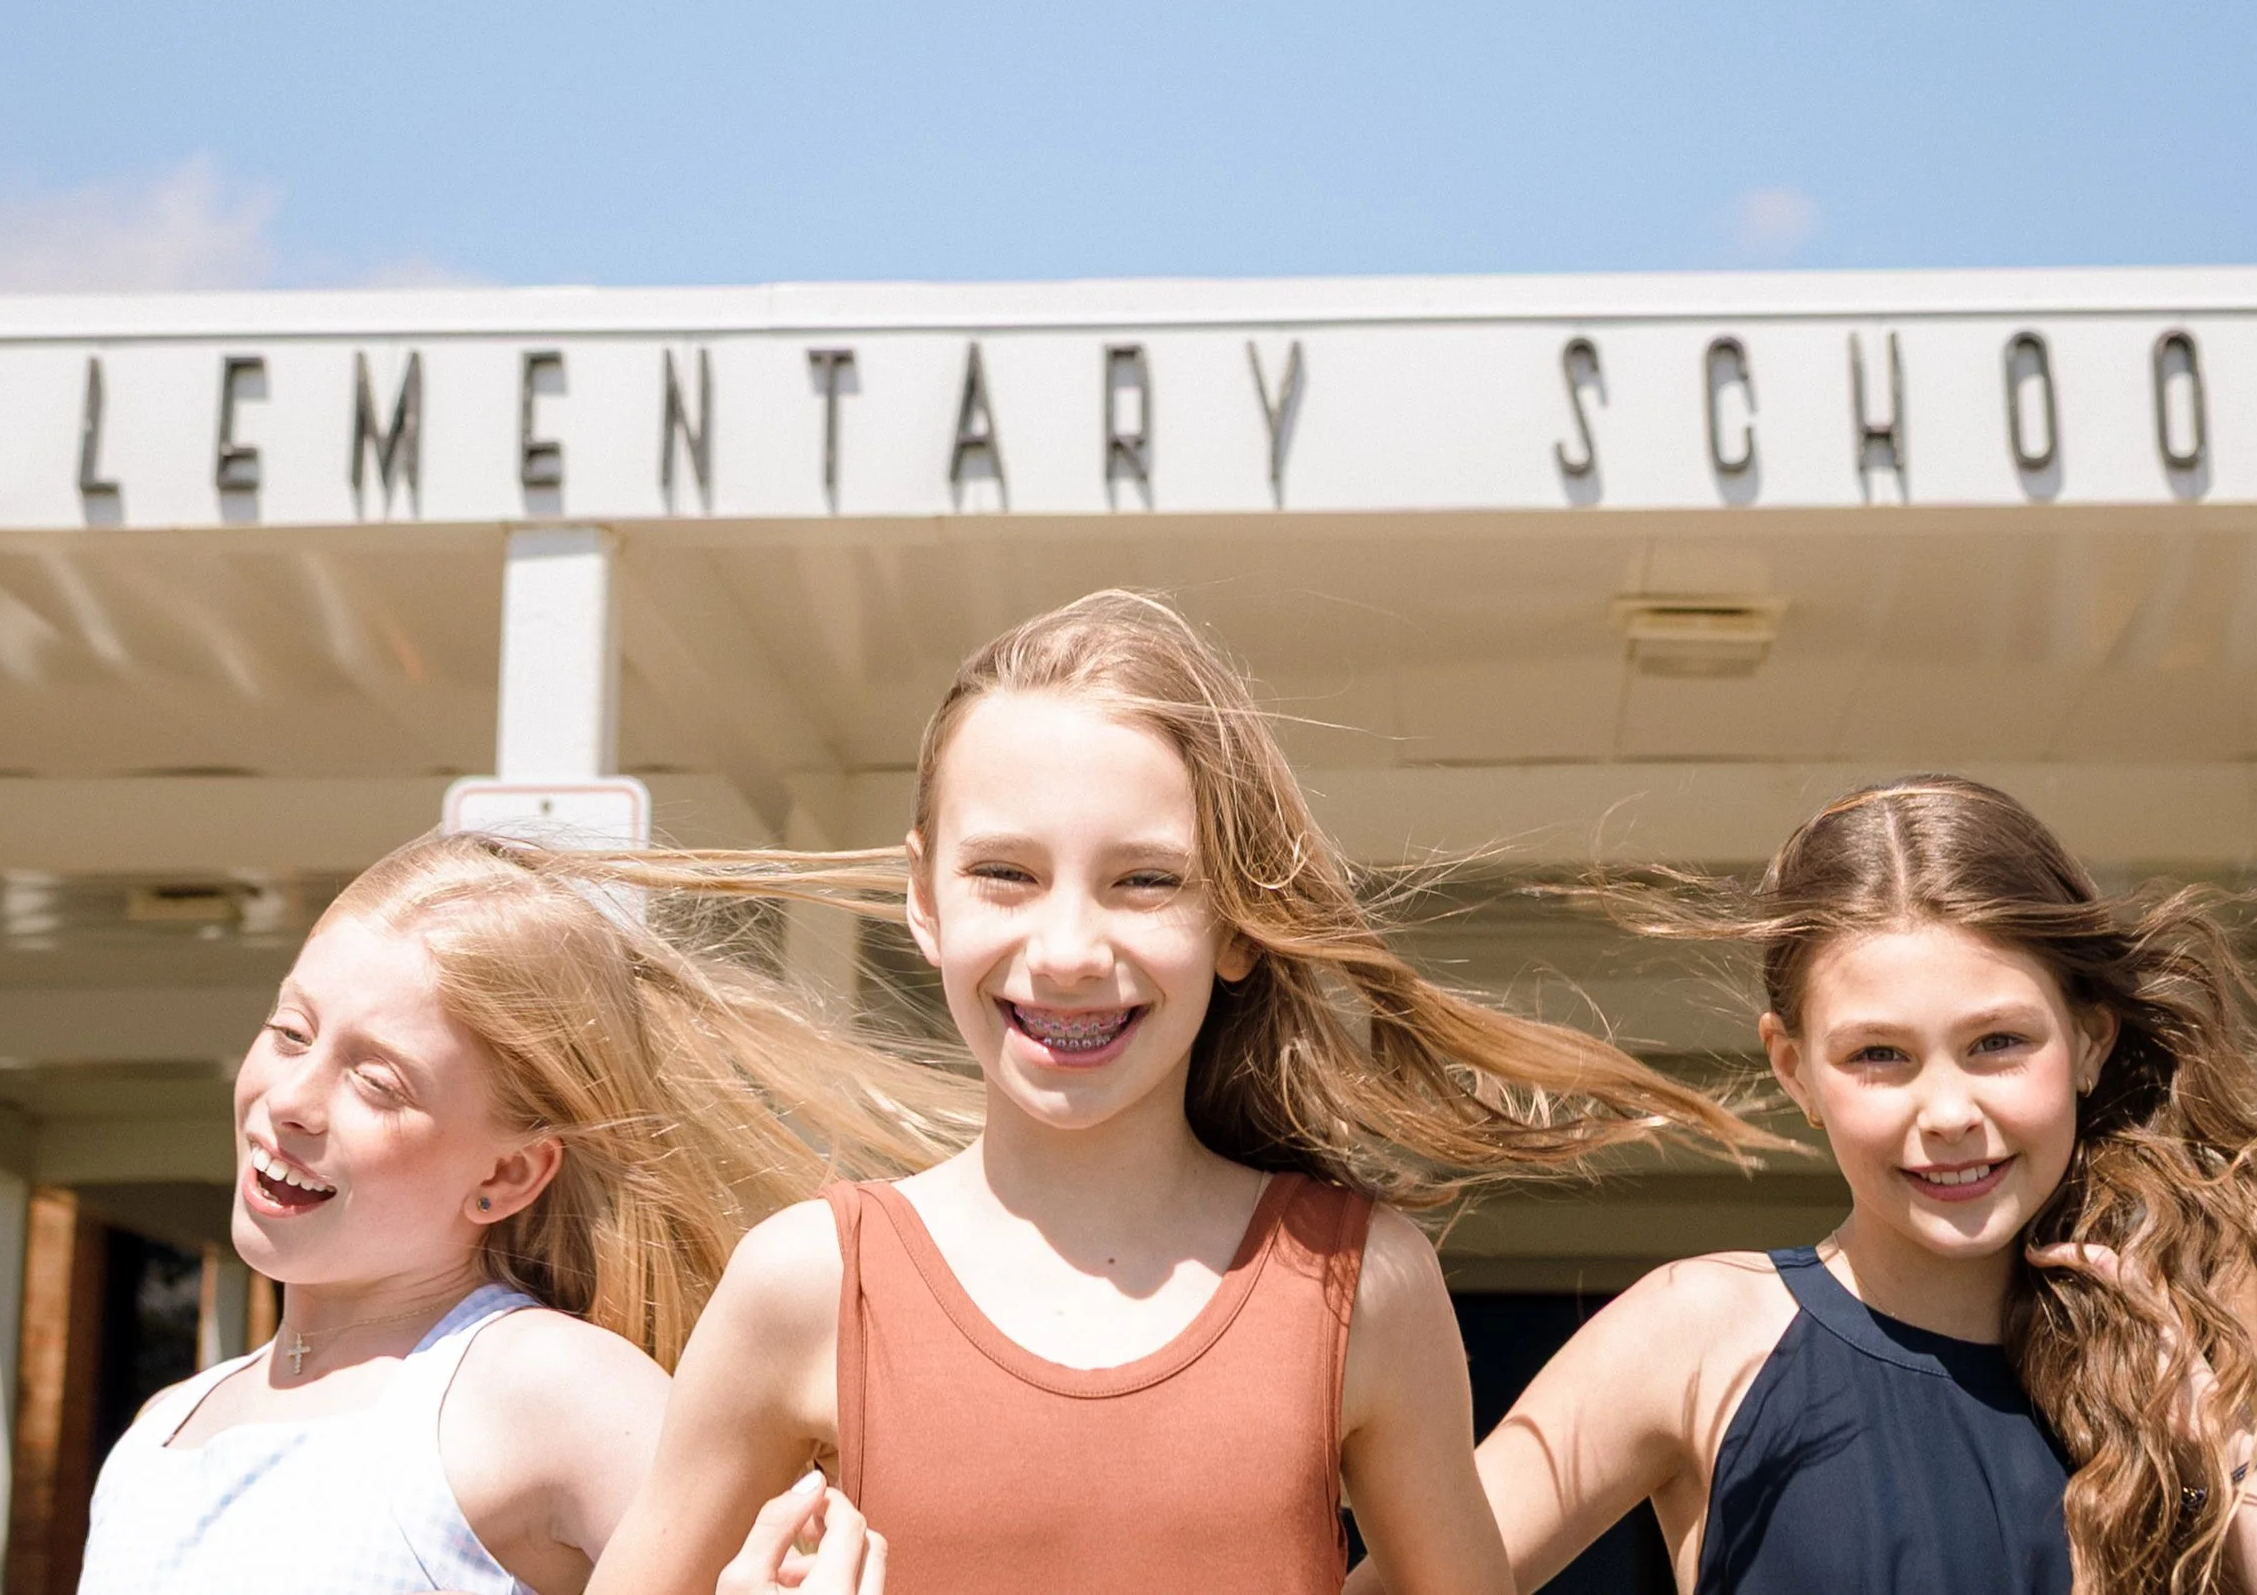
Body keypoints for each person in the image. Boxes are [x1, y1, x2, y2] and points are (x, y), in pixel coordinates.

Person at [591, 588, 1762, 1595]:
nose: (1064, 949)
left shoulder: (1364, 1285)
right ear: (924, 897)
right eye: (1005, 874)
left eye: (1144, 881)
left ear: (1239, 921)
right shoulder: (805, 1283)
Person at [1354, 775, 2257, 1595]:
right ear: (1793, 1069)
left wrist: (2212, 1433)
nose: (1947, 1111)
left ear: (2090, 1041)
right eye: (1879, 1055)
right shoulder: (1697, 1335)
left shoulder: (2153, 1380)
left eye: (1996, 1043)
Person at [79, 827, 964, 1595]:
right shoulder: (163, 1429)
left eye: (377, 1080)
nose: (293, 1100)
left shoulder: (545, 1386)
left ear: (508, 1174)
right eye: (290, 1032)